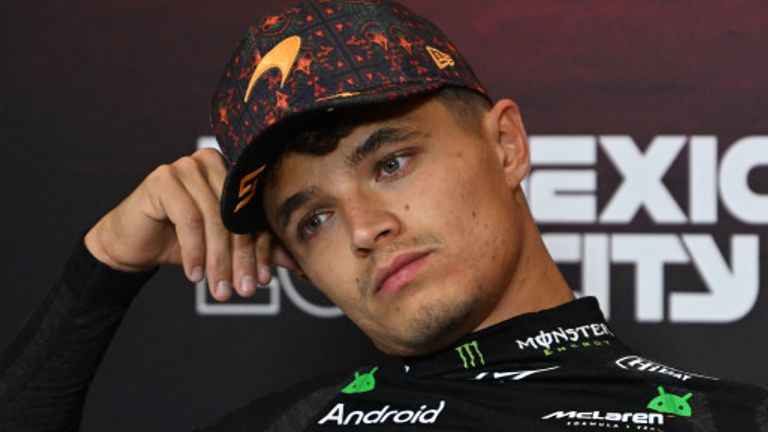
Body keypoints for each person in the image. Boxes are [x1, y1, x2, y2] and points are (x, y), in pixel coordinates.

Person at [1, 0, 766, 430]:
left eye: (390, 163)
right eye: (313, 219)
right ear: (297, 264)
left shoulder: (721, 420)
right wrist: (104, 266)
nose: (365, 229)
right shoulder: (286, 427)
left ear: (505, 144)